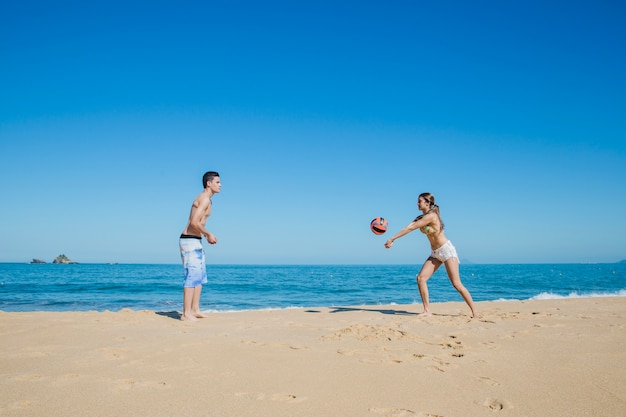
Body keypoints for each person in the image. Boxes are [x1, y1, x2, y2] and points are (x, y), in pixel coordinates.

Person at [384, 192, 478, 318]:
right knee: (421, 278)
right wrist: (393, 239)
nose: (417, 203)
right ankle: (427, 311)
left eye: (420, 201)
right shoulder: (420, 217)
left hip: (446, 251)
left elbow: (411, 228)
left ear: (427, 203)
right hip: (435, 253)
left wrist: (392, 239)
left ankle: (475, 312)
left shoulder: (432, 216)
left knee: (456, 284)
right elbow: (409, 226)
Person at [179, 171, 221, 321]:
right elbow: (194, 222)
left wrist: (203, 235)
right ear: (208, 183)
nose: (220, 185)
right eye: (217, 182)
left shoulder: (207, 199)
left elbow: (198, 223)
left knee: (199, 277)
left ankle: (195, 309)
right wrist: (208, 234)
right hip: (189, 240)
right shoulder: (204, 199)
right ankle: (186, 314)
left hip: (195, 240)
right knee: (192, 277)